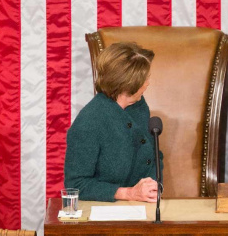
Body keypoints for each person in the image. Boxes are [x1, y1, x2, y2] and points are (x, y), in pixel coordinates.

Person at [64, 42, 163, 202]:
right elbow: (77, 185)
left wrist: (154, 187)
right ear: (129, 84)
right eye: (145, 78)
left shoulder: (138, 105)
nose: (148, 83)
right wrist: (128, 193)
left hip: (144, 208)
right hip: (102, 212)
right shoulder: (89, 122)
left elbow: (152, 156)